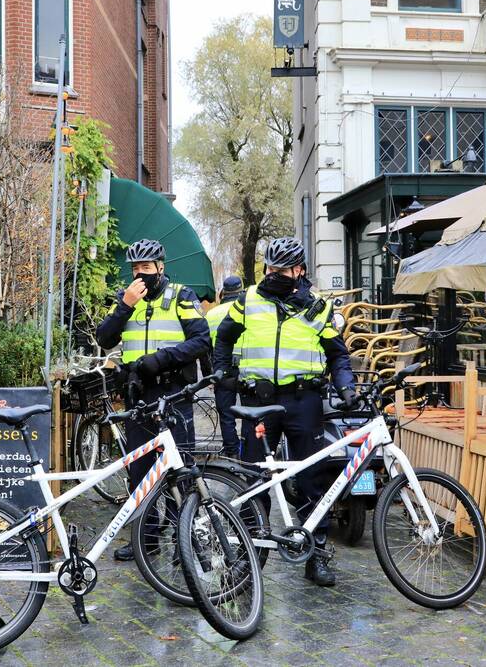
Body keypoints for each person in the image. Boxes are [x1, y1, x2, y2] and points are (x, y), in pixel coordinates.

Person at [213, 237, 354, 587]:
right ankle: (248, 555)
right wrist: (223, 373)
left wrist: (346, 387)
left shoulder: (318, 308)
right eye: (271, 269)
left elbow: (337, 354)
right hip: (258, 403)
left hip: (304, 401)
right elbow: (224, 338)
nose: (274, 275)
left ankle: (316, 554)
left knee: (311, 479)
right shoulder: (248, 300)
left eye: (283, 270)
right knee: (253, 479)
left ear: (299, 271)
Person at [95, 238, 210, 562]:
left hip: (173, 393)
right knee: (140, 470)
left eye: (146, 267)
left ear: (160, 267)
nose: (140, 273)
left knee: (179, 467)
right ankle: (145, 539)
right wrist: (125, 305)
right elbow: (104, 338)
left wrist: (162, 359)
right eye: (135, 268)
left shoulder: (181, 296)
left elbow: (201, 340)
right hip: (138, 395)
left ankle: (182, 537)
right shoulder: (125, 298)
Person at [206, 276, 244, 457]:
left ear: (223, 292)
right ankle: (250, 450)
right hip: (249, 367)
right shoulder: (248, 308)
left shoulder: (212, 314)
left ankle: (232, 451)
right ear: (241, 290)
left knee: (226, 414)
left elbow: (205, 348)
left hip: (223, 369)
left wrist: (210, 375)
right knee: (251, 412)